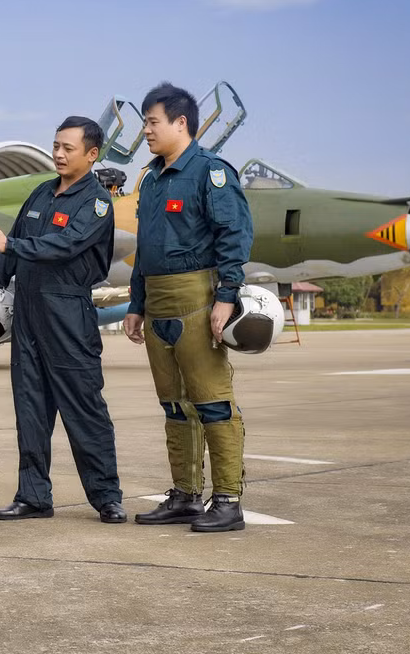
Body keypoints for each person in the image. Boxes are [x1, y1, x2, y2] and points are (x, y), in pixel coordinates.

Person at [0, 116, 125, 524]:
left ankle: (107, 497)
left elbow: (66, 244)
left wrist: (11, 245)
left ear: (92, 154)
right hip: (29, 315)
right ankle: (33, 496)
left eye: (68, 148)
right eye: (55, 146)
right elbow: (8, 254)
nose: (59, 154)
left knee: (84, 409)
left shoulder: (96, 202)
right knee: (30, 409)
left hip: (68, 315)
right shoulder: (41, 194)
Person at [122, 82, 254, 533]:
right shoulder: (151, 179)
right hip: (157, 300)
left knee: (212, 402)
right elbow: (146, 247)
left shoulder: (210, 172)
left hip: (197, 297)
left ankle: (228, 500)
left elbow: (234, 235)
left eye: (152, 122)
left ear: (181, 123)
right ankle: (185, 495)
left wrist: (226, 296)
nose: (146, 131)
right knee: (174, 405)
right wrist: (136, 304)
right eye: (144, 123)